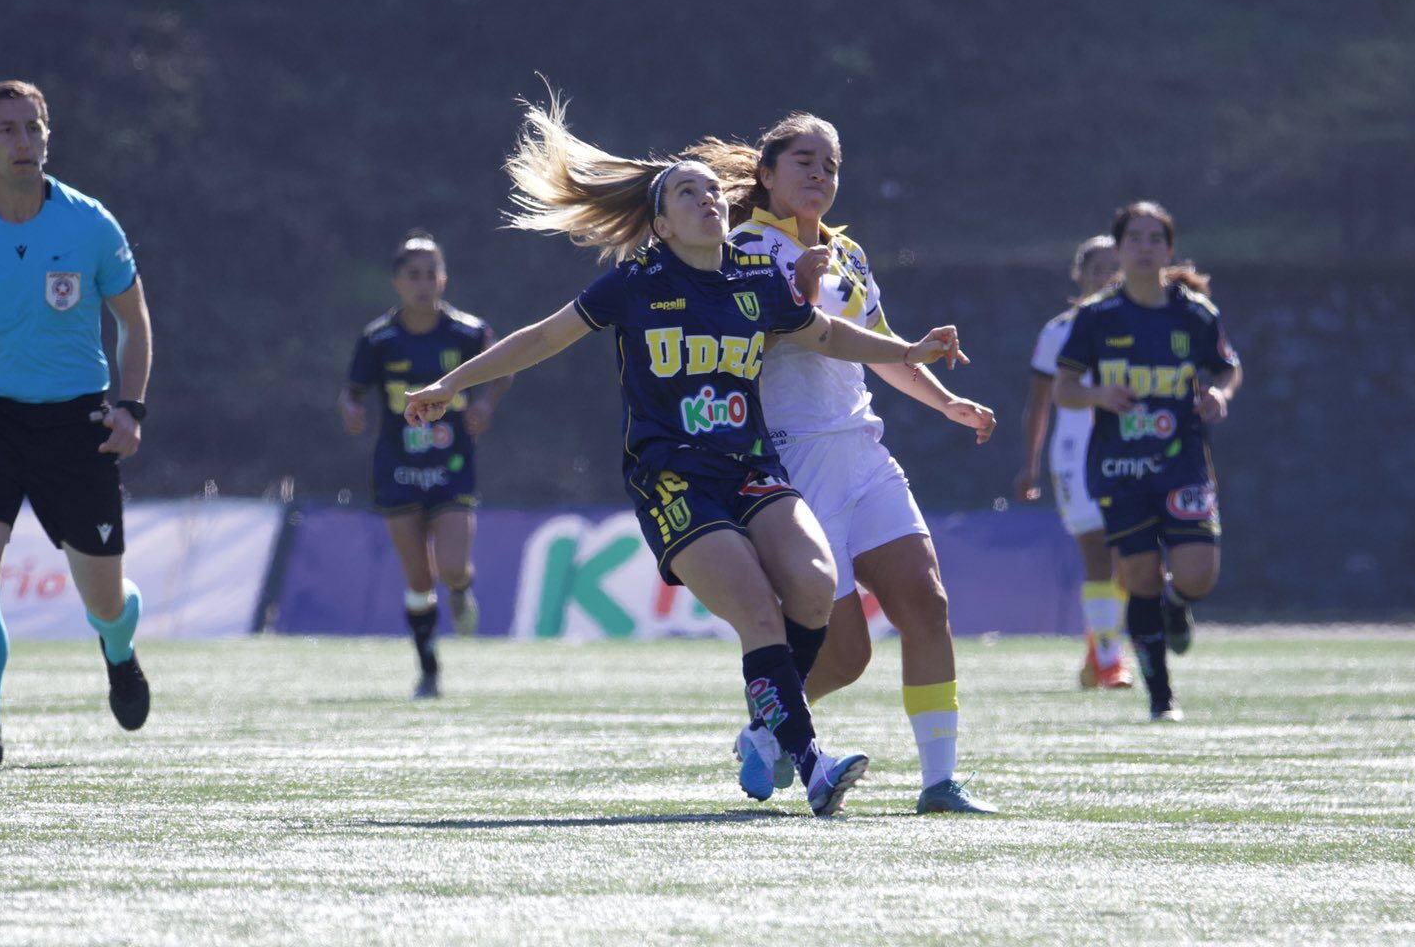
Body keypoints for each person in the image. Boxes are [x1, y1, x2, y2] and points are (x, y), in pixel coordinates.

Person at [404, 95, 968, 817]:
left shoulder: (755, 280)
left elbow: (830, 336)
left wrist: (913, 353)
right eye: (686, 191)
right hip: (676, 476)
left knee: (816, 584)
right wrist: (452, 383)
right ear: (661, 225)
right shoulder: (638, 283)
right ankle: (812, 763)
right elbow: (542, 338)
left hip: (754, 468)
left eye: (710, 189)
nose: (706, 197)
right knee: (765, 617)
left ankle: (781, 733)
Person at [689, 115, 999, 815]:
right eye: (803, 162)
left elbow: (881, 343)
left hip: (863, 452)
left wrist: (946, 402)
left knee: (927, 602)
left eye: (830, 165)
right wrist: (791, 296)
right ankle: (771, 721)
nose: (819, 176)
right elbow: (734, 346)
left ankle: (940, 783)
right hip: (792, 465)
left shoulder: (849, 253)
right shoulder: (740, 248)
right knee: (847, 654)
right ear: (766, 175)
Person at [0, 79, 153, 767]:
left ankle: (119, 649)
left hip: (78, 423)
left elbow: (133, 321)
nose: (23, 143)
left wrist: (130, 409)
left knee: (103, 599)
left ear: (48, 137)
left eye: (33, 129)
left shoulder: (90, 223)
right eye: (8, 131)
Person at [1053, 202, 1241, 721]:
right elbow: (1064, 390)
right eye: (1134, 238)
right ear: (1118, 249)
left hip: (1183, 463)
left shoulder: (1195, 314)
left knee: (1197, 575)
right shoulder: (1096, 318)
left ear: (1169, 249)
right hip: (1119, 466)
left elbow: (1227, 369)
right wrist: (1096, 396)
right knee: (1138, 576)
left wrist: (1220, 394)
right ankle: (1162, 697)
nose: (1144, 247)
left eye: (1154, 238)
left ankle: (1177, 607)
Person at [339, 231, 509, 699]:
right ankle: (428, 667)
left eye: (430, 273)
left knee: (452, 568)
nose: (422, 283)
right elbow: (352, 391)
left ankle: (459, 590)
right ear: (396, 281)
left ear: (444, 278)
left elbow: (503, 369)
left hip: (451, 463)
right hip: (397, 466)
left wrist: (483, 405)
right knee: (417, 577)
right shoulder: (378, 339)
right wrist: (351, 409)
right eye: (412, 275)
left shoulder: (469, 332)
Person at [1013, 234, 1133, 691]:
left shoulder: (1136, 326)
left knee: (1130, 562)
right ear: (1078, 275)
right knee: (1098, 555)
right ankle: (1109, 663)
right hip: (1074, 457)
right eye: (1096, 269)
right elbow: (1039, 404)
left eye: (1113, 269)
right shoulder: (1059, 331)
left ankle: (1097, 652)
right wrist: (1031, 464)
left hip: (1126, 454)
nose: (1105, 277)